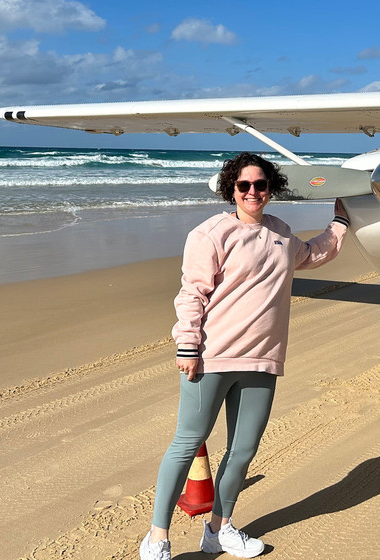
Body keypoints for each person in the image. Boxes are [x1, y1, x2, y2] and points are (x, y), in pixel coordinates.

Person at [140, 152, 350, 560]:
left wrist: (341, 223)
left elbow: (313, 252)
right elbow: (192, 292)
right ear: (231, 189)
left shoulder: (282, 234)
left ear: (271, 188)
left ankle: (219, 530)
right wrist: (187, 343)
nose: (252, 192)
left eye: (261, 185)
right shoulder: (210, 234)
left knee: (243, 450)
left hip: (262, 360)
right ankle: (157, 538)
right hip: (212, 357)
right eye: (244, 185)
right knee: (187, 443)